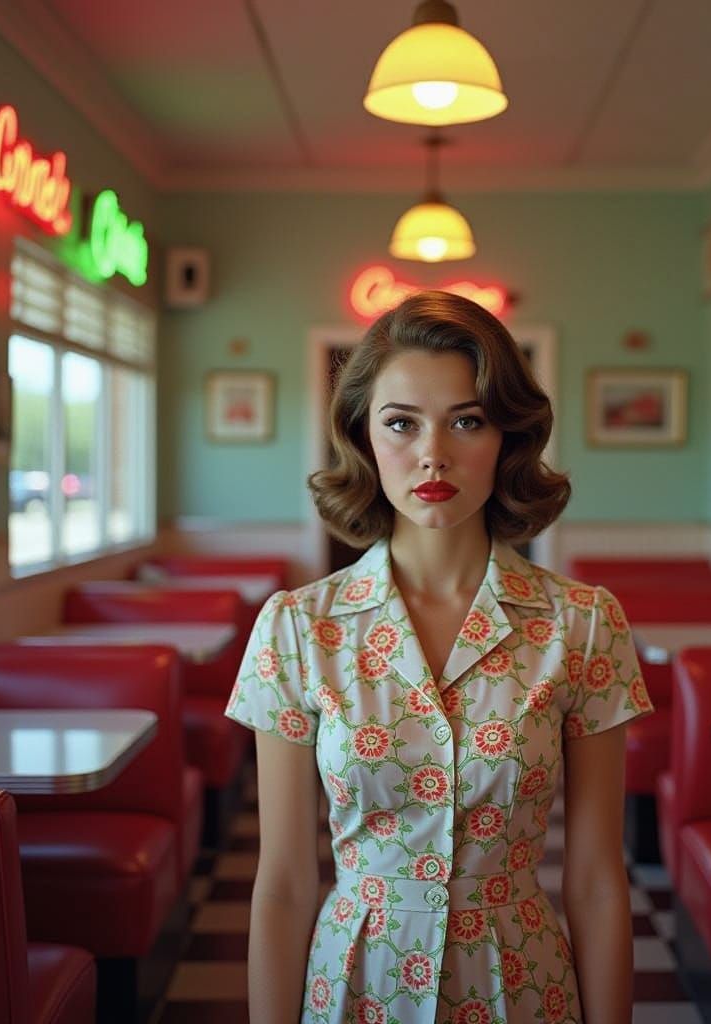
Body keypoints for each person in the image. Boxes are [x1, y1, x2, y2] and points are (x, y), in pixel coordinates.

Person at [225, 290, 653, 1024]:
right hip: (355, 983)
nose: (433, 452)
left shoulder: (581, 625)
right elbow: (286, 882)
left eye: (467, 420)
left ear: (507, 438)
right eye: (402, 423)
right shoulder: (297, 628)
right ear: (363, 435)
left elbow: (594, 878)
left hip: (521, 984)